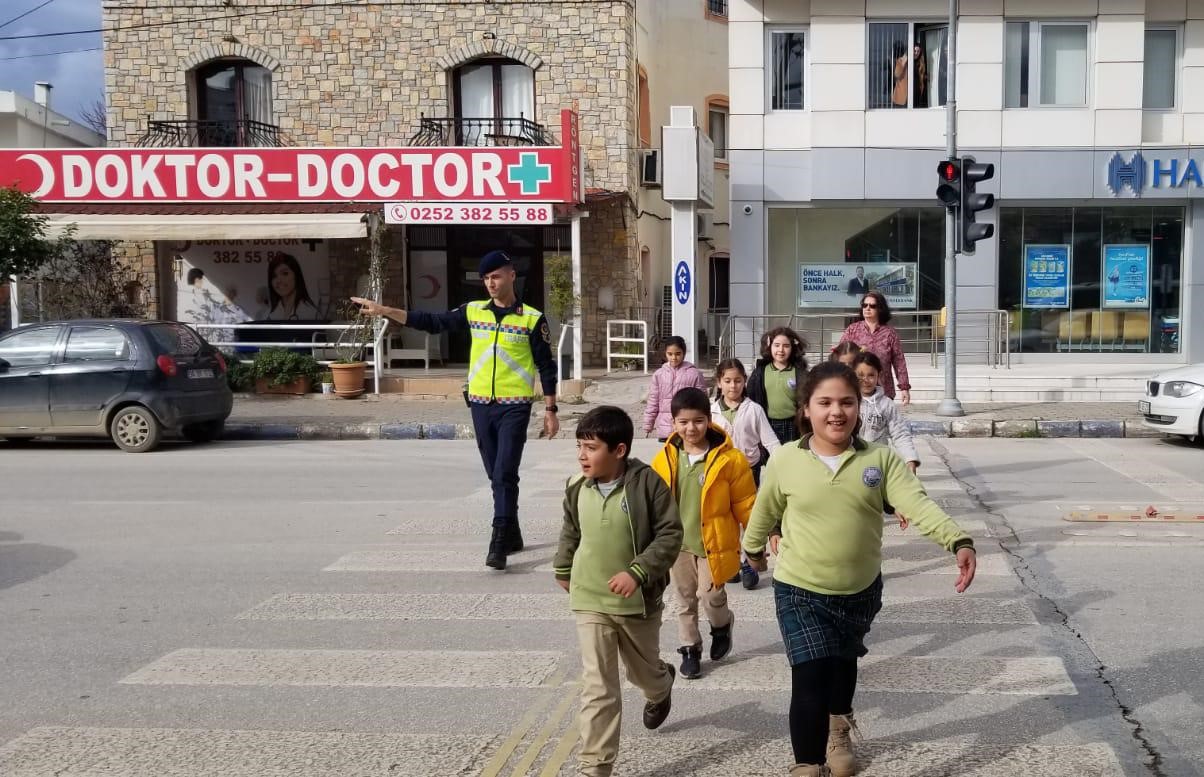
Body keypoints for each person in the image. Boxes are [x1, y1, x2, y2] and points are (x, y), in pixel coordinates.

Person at [742, 362, 976, 777]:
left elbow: (916, 503)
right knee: (810, 673)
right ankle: (808, 766)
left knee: (842, 661)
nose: (837, 412)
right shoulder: (784, 461)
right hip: (798, 588)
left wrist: (956, 539)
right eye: (825, 402)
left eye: (846, 402)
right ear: (806, 410)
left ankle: (838, 730)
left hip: (859, 589)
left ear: (858, 407)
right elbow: (765, 511)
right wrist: (752, 550)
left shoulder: (880, 460)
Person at [351, 250, 558, 570]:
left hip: (514, 407)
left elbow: (546, 365)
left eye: (496, 276)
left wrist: (551, 409)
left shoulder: (531, 317)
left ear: (511, 275)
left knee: (504, 472)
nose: (490, 283)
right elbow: (432, 322)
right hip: (480, 405)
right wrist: (385, 311)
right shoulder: (474, 311)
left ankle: (499, 540)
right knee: (496, 475)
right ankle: (513, 529)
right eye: (486, 278)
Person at [553, 405, 682, 777]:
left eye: (591, 447)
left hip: (636, 601)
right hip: (590, 598)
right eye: (579, 446)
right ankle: (596, 766)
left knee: (643, 675)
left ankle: (661, 685)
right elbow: (571, 530)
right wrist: (563, 567)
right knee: (598, 687)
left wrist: (638, 572)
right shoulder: (576, 486)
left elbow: (671, 534)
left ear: (619, 450)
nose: (582, 455)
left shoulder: (647, 484)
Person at [651, 387, 757, 680]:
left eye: (697, 421)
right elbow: (653, 502)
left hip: (716, 542)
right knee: (684, 599)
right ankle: (690, 649)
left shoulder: (729, 459)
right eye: (683, 422)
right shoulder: (665, 458)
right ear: (673, 423)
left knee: (711, 596)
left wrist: (757, 538)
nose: (690, 428)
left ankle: (722, 626)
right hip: (679, 544)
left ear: (708, 420)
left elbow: (745, 502)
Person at [711, 358, 780, 590]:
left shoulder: (754, 409)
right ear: (719, 382)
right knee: (725, 519)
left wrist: (783, 464)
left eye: (738, 381)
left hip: (748, 471)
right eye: (728, 381)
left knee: (750, 519)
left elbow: (770, 442)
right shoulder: (710, 413)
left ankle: (750, 562)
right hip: (718, 474)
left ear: (745, 382)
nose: (733, 386)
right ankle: (732, 561)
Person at [839, 291, 911, 404]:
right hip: (858, 390)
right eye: (864, 305)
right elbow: (842, 355)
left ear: (880, 309)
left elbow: (899, 362)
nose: (867, 308)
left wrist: (904, 387)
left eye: (872, 306)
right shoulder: (852, 330)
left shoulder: (890, 333)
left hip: (884, 390)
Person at [747, 326, 808, 444]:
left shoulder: (800, 372)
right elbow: (751, 397)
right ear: (769, 346)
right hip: (767, 424)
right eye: (776, 345)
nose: (781, 350)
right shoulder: (760, 372)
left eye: (786, 346)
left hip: (793, 424)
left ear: (793, 348)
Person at [642, 335, 707, 441]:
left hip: (686, 428)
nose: (674, 357)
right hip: (665, 428)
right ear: (665, 353)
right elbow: (653, 401)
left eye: (678, 354)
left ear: (684, 353)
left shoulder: (694, 374)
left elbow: (703, 402)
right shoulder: (659, 374)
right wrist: (648, 424)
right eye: (670, 354)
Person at [267, 253, 320, 321]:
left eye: (285, 273)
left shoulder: (312, 313)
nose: (278, 280)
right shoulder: (271, 315)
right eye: (274, 276)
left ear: (296, 275)